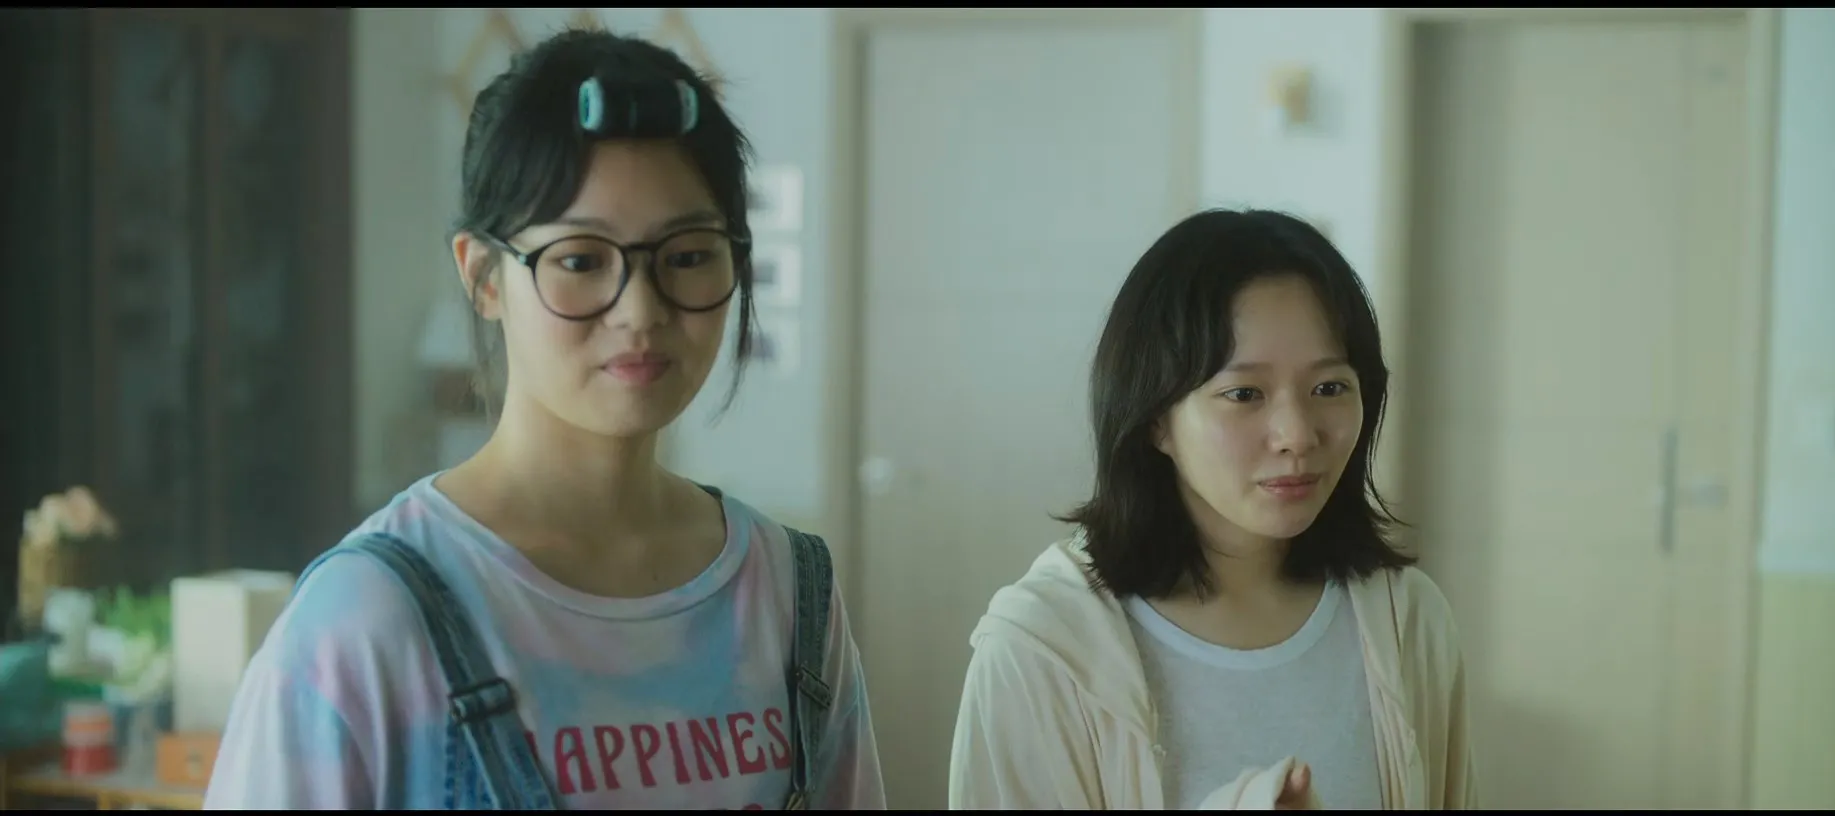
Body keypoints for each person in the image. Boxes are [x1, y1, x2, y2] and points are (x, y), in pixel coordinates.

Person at [204, 28, 884, 810]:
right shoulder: (363, 625)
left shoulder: (789, 594)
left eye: (688, 255)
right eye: (581, 260)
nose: (640, 310)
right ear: (483, 277)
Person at [948, 209, 1477, 810]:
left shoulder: (1408, 623)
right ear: (1155, 418)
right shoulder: (1042, 650)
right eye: (1244, 394)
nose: (1297, 435)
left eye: (1329, 388)